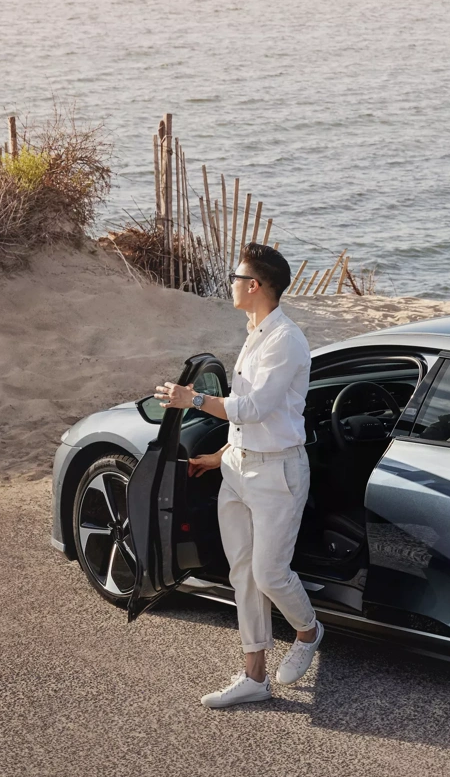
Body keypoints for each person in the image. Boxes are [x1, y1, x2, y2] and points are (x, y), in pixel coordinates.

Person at [153, 243, 322, 709]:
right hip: (239, 468)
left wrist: (193, 400)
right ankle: (254, 677)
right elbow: (250, 421)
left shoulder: (285, 339)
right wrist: (221, 454)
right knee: (243, 573)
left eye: (236, 276)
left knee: (270, 572)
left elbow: (255, 408)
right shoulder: (255, 332)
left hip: (277, 474)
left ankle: (308, 631)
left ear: (254, 286)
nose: (230, 282)